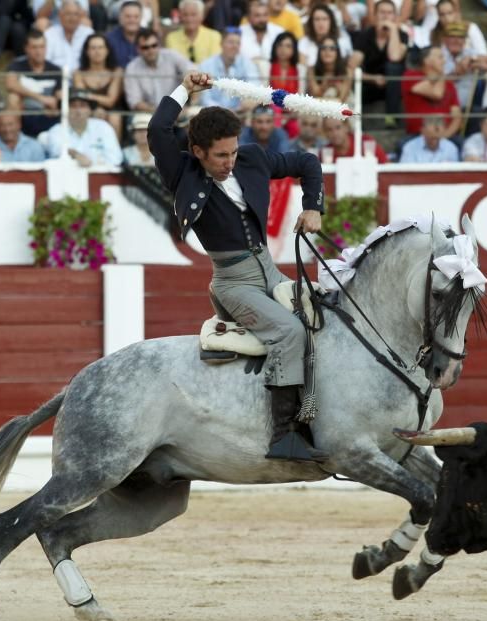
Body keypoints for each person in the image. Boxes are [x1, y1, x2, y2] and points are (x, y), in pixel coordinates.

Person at [148, 69, 328, 464]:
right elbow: (158, 129)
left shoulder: (252, 158)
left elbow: (308, 162)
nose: (230, 161)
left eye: (232, 152)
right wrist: (185, 89)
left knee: (324, 320)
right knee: (288, 331)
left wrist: (313, 205)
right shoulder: (182, 173)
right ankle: (285, 435)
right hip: (233, 281)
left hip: (270, 270)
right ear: (198, 152)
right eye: (220, 155)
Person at [349, 0, 408, 119]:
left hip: (395, 86)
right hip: (371, 83)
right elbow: (351, 67)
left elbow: (395, 57)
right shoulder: (365, 36)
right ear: (375, 15)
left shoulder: (402, 35)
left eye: (390, 13)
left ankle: (391, 118)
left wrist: (393, 30)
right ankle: (357, 124)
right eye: (382, 12)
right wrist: (373, 79)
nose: (386, 16)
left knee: (393, 67)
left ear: (395, 16)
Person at [5, 29, 63, 137]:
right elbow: (10, 84)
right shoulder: (17, 66)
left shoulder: (55, 70)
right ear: (26, 49)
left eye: (42, 47)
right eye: (34, 47)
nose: (38, 51)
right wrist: (41, 98)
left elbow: (59, 96)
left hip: (48, 115)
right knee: (13, 97)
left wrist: (55, 105)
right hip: (25, 113)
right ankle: (15, 136)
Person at [43, 89, 124, 166]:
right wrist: (76, 155)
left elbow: (115, 159)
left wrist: (92, 165)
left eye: (83, 106)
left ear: (90, 110)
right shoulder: (56, 130)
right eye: (73, 106)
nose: (78, 110)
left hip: (99, 177)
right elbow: (57, 151)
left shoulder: (103, 127)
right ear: (64, 110)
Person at [125, 29, 195, 113]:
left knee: (194, 115)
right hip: (149, 113)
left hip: (179, 108)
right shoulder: (132, 68)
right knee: (141, 124)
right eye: (145, 47)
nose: (150, 50)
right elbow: (135, 102)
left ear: (159, 45)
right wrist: (163, 112)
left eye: (154, 45)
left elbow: (192, 71)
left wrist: (192, 103)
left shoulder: (172, 55)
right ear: (138, 49)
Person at [401, 45, 461, 139]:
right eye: (440, 57)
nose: (444, 61)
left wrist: (445, 136)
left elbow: (456, 117)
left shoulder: (449, 85)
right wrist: (441, 75)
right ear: (426, 60)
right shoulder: (411, 76)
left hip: (446, 135)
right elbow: (437, 94)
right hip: (418, 136)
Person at [74, 33, 125, 137]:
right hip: (87, 110)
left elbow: (111, 101)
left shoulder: (117, 71)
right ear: (87, 52)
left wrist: (89, 96)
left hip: (112, 111)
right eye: (93, 48)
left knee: (114, 118)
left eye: (101, 47)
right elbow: (82, 99)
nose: (97, 52)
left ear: (107, 51)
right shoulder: (78, 73)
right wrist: (95, 107)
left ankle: (115, 152)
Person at [198, 29, 262, 112]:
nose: (235, 46)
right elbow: (204, 97)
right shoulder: (206, 65)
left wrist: (245, 102)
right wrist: (222, 111)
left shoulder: (247, 63)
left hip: (240, 113)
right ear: (221, 44)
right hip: (212, 113)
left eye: (238, 43)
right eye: (231, 42)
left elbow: (254, 86)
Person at [441, 21, 487, 119]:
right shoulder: (438, 55)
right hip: (443, 106)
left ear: (464, 41)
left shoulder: (469, 53)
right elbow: (437, 82)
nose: (456, 41)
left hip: (467, 109)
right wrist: (456, 72)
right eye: (452, 37)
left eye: (460, 38)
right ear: (445, 39)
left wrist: (472, 60)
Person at [44, 0, 93, 74]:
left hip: (82, 79)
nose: (72, 18)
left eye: (76, 14)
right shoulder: (49, 34)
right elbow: (45, 61)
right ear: (60, 16)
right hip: (56, 77)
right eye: (68, 14)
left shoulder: (88, 33)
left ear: (80, 17)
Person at [166, 0, 222, 64]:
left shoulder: (214, 36)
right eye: (185, 15)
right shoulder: (171, 38)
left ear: (202, 16)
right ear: (180, 16)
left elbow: (214, 65)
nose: (189, 19)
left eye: (193, 14)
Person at [297, 3, 352, 68]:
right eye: (317, 19)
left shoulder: (342, 40)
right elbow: (302, 68)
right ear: (311, 22)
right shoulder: (304, 42)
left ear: (331, 21)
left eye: (325, 19)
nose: (321, 23)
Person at [321, 116, 388, 162]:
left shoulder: (365, 142)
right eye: (329, 129)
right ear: (325, 132)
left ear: (346, 127)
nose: (334, 133)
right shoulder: (325, 152)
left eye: (338, 127)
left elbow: (386, 167)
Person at [239, 0, 286, 65]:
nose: (262, 19)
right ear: (248, 18)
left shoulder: (279, 32)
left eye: (265, 15)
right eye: (257, 15)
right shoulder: (240, 33)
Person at [308, 37, 351, 103]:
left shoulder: (346, 71)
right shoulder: (312, 70)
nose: (327, 51)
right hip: (317, 110)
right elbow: (314, 95)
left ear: (337, 52)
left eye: (332, 48)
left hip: (339, 111)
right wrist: (325, 84)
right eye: (323, 48)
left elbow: (342, 99)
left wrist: (337, 86)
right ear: (319, 52)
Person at [106, 0, 143, 67]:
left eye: (136, 17)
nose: (132, 20)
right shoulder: (109, 39)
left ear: (141, 18)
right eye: (128, 16)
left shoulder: (150, 37)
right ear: (120, 17)